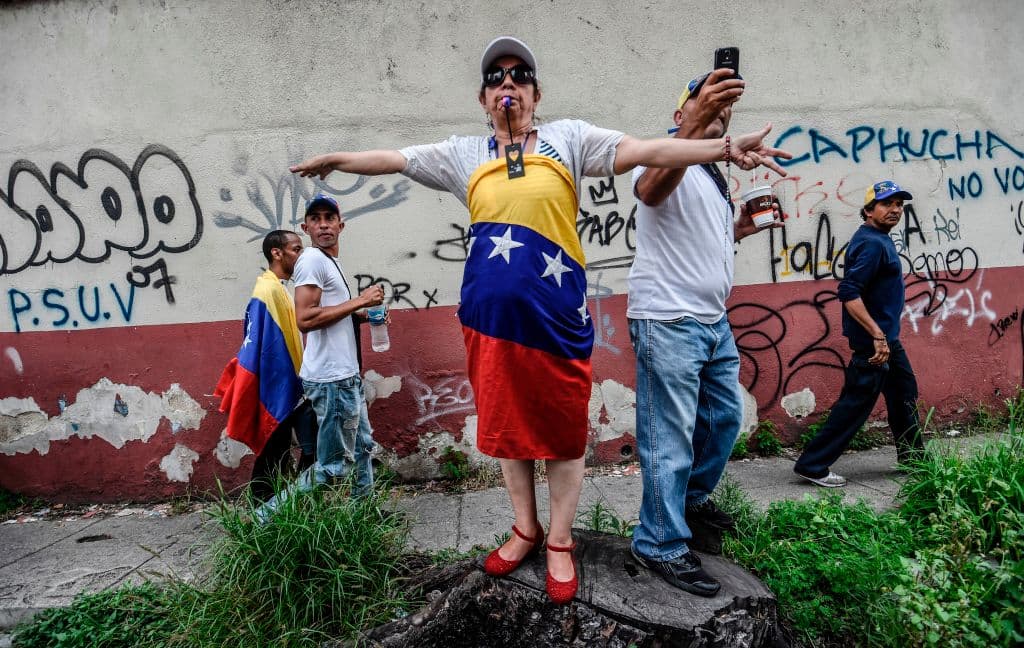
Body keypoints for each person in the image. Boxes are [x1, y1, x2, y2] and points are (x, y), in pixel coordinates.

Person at [290, 36, 790, 604]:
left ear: (536, 93)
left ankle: (558, 540)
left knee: (561, 432)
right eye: (497, 78)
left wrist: (722, 148)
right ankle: (524, 528)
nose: (509, 84)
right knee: (507, 431)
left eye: (520, 76)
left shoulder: (569, 139)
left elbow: (650, 152)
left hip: (557, 318)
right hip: (489, 320)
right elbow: (396, 160)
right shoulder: (464, 154)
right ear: (483, 98)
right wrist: (337, 161)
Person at [626, 69, 785, 597]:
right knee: (667, 438)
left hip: (711, 319)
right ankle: (660, 542)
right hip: (667, 318)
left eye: (725, 115)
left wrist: (739, 228)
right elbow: (650, 191)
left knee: (724, 419)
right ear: (680, 116)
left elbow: (695, 238)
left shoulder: (714, 177)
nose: (719, 118)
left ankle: (689, 502)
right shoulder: (663, 154)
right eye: (704, 107)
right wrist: (698, 137)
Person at [793, 180, 924, 487]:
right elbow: (849, 292)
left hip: (887, 340)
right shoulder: (872, 243)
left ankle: (915, 459)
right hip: (875, 343)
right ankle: (813, 465)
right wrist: (877, 335)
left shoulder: (878, 238)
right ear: (868, 210)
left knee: (904, 392)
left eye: (899, 205)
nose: (894, 210)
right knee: (855, 404)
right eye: (886, 204)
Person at [292, 192, 385, 497]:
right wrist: (360, 300)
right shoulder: (311, 260)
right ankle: (266, 521)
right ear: (305, 227)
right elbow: (305, 319)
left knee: (362, 450)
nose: (323, 225)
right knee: (332, 466)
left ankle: (365, 516)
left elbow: (329, 312)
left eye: (329, 218)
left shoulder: (329, 261)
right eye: (315, 219)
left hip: (345, 377)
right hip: (331, 380)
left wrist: (359, 315)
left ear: (341, 225)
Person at [214, 230, 317, 501]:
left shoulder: (277, 288)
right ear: (276, 252)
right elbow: (263, 345)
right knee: (274, 454)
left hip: (288, 385)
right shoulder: (267, 290)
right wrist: (277, 388)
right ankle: (262, 511)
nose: (301, 255)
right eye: (296, 249)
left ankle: (282, 507)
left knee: (289, 452)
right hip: (277, 387)